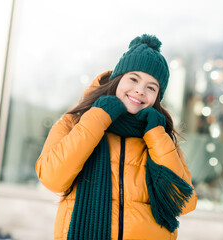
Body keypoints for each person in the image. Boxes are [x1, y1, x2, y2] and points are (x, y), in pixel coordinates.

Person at [36, 34, 197, 240]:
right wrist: (99, 117)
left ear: (157, 97)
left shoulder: (160, 136)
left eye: (151, 87)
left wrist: (155, 134)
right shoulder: (76, 122)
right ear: (118, 79)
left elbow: (183, 203)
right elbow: (52, 178)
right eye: (133, 79)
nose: (140, 90)